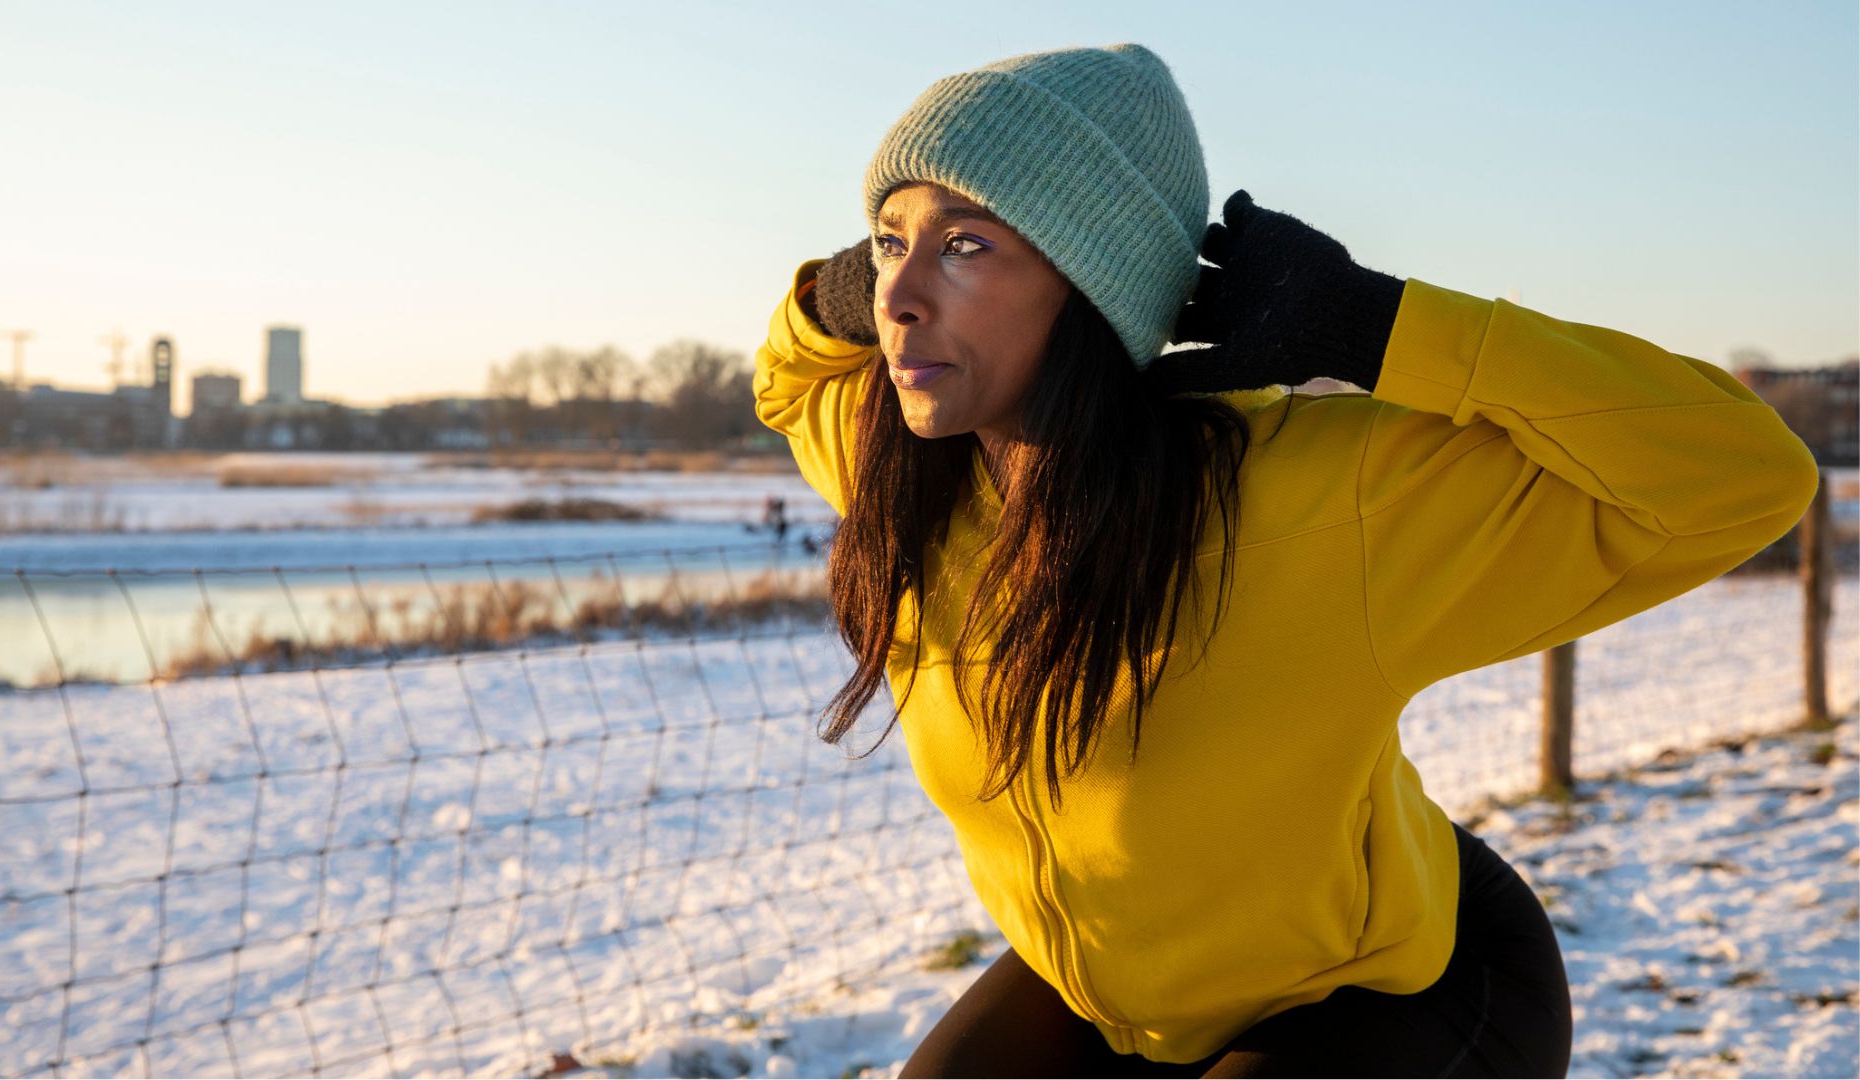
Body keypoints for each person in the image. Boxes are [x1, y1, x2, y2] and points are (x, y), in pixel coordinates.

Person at [751, 43, 1819, 1078]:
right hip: (1119, 998)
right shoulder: (910, 482)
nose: (896, 296)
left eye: (968, 246)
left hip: (1394, 990)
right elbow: (787, 382)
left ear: (1093, 283)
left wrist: (1378, 325)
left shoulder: (1306, 503)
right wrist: (828, 296)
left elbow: (1742, 472)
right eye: (889, 243)